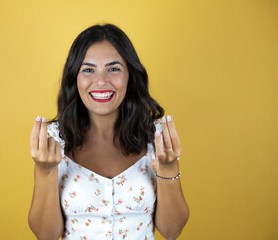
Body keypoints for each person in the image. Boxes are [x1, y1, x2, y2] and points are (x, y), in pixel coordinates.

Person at [28, 23, 189, 240]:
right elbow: (45, 235)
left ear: (130, 76)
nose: (101, 82)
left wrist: (169, 168)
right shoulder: (54, 140)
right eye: (88, 70)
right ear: (74, 78)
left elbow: (172, 231)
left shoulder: (156, 136)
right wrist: (44, 171)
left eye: (113, 69)